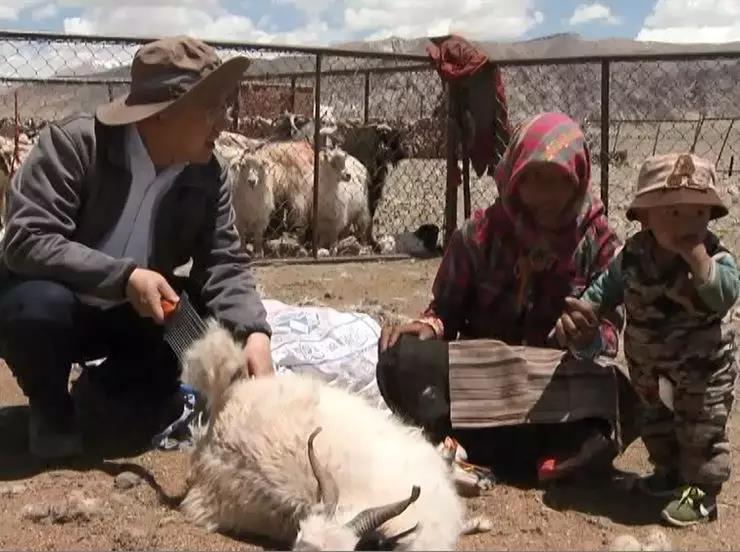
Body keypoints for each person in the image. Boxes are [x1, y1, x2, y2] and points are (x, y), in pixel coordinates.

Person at [0, 35, 273, 460]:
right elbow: (26, 238)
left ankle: (109, 392)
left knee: (200, 319)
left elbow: (224, 262)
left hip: (137, 313)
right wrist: (124, 277)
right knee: (34, 306)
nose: (224, 121)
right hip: (62, 308)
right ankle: (51, 410)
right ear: (165, 111)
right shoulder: (77, 145)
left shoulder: (207, 175)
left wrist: (253, 332)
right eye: (212, 107)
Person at [378, 111, 635, 481]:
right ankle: (543, 453)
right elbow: (446, 310)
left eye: (559, 180)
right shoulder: (478, 234)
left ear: (578, 179)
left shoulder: (599, 242)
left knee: (621, 391)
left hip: (553, 385)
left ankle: (484, 447)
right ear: (514, 177)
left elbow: (610, 332)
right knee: (400, 356)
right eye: (534, 178)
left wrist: (586, 338)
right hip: (483, 381)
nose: (546, 194)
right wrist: (430, 326)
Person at [559, 152, 739, 526]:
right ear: (644, 218)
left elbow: (725, 294)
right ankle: (668, 472)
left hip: (703, 371)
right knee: (656, 422)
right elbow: (605, 289)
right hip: (649, 366)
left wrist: (701, 264)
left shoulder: (716, 256)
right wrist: (586, 310)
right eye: (673, 212)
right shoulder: (632, 258)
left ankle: (701, 492)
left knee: (700, 429)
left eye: (698, 213)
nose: (687, 223)